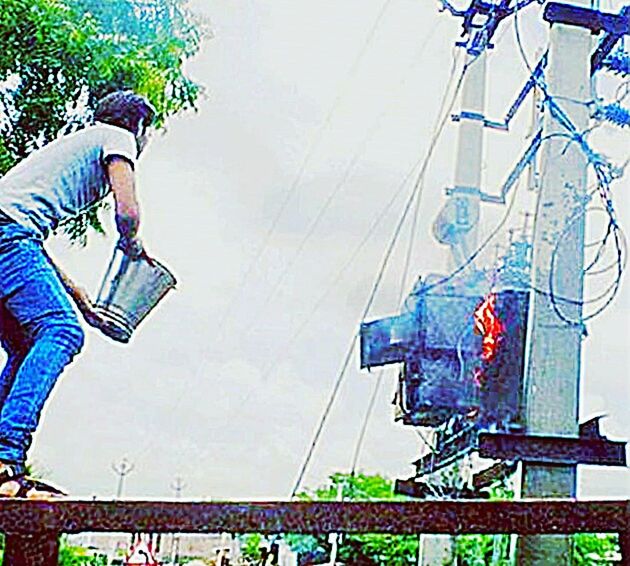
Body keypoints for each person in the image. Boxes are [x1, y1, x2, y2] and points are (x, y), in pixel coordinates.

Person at [0, 90, 155, 497]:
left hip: (12, 236)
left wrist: (83, 302)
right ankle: (5, 459)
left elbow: (28, 245)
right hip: (8, 234)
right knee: (63, 334)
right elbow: (128, 213)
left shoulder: (77, 145)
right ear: (139, 127)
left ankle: (2, 460)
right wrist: (131, 242)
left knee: (24, 345)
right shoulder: (119, 137)